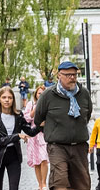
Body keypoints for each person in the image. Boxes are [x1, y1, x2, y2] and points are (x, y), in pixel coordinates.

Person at [33, 61, 93, 190]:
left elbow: (87, 116)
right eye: (68, 75)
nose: (72, 78)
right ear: (59, 76)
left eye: (74, 75)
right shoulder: (48, 95)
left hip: (79, 146)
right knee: (59, 182)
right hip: (57, 146)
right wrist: (53, 131)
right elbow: (38, 119)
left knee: (82, 184)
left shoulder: (84, 93)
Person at [0, 86, 41, 190]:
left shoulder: (18, 115)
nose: (7, 100)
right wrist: (17, 136)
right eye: (4, 97)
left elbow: (30, 132)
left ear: (13, 100)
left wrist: (41, 126)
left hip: (14, 155)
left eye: (10, 98)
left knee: (14, 187)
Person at [23, 85, 49, 190]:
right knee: (36, 161)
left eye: (43, 93)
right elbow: (27, 118)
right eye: (39, 93)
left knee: (44, 159)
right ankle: (40, 185)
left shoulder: (48, 104)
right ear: (36, 94)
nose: (41, 95)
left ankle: (44, 183)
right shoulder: (31, 104)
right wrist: (35, 108)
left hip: (43, 135)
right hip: (33, 135)